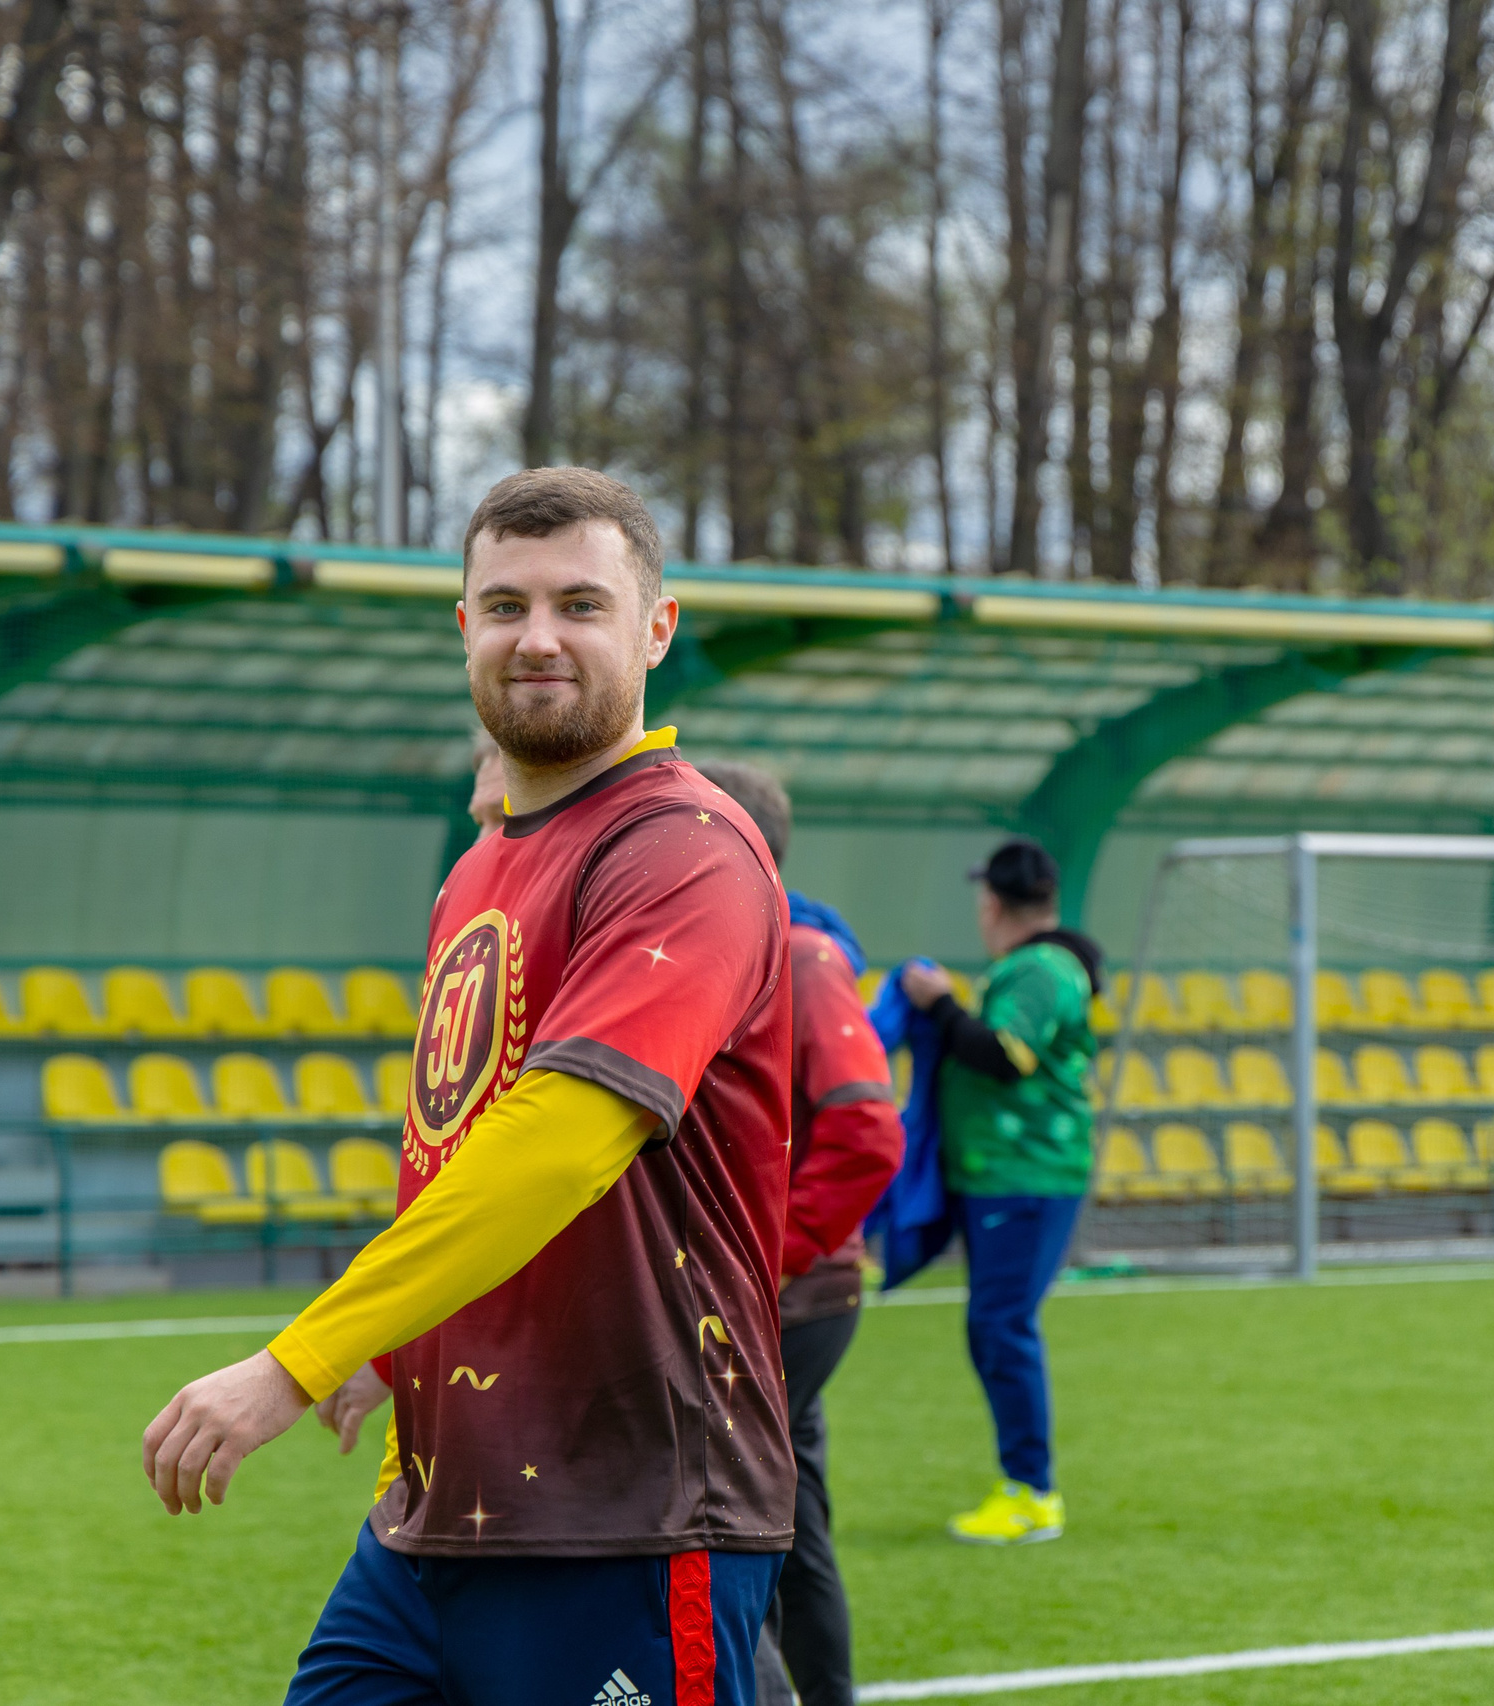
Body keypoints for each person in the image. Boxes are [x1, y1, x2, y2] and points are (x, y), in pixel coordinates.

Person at [142, 466, 798, 1706]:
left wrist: (295, 1357)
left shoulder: (681, 850)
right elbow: (466, 1158)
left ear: (657, 626)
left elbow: (558, 1144)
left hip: (631, 1513)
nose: (536, 636)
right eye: (503, 605)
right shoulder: (481, 866)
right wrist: (390, 1347)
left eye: (579, 604)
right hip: (436, 1517)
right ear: (463, 628)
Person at [697, 761, 903, 1706]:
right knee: (791, 1523)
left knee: (718, 1523)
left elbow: (868, 1133)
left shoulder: (803, 955)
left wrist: (763, 1259)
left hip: (789, 1296)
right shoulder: (741, 951)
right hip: (774, 1293)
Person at [898, 837, 1103, 1547]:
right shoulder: (1038, 965)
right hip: (1005, 1173)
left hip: (1026, 1173)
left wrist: (941, 1006)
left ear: (993, 903)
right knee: (995, 1324)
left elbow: (1005, 1056)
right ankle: (1026, 1485)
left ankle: (1032, 1492)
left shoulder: (1042, 968)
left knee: (1001, 1326)